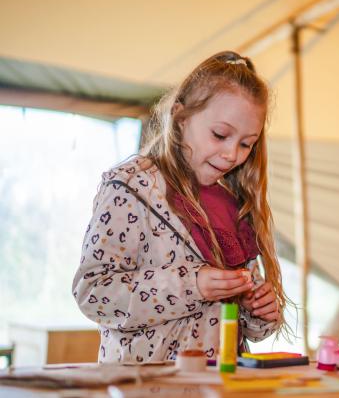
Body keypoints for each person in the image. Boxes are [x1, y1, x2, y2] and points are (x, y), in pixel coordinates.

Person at [72, 51, 288, 363]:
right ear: (181, 117)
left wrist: (258, 312)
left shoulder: (234, 205)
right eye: (220, 134)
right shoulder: (131, 188)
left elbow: (247, 328)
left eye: (246, 144)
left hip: (219, 387)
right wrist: (192, 284)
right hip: (143, 387)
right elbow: (93, 294)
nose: (232, 155)